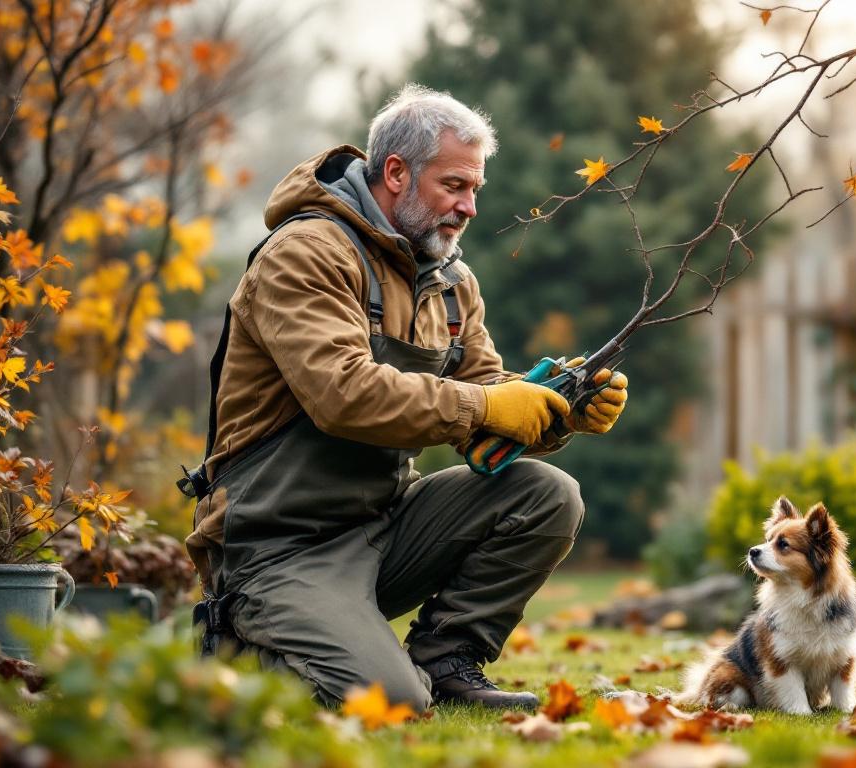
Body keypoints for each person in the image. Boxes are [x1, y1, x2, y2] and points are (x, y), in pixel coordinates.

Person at [182, 84, 629, 712]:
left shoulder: (450, 281)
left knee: (548, 495)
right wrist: (486, 406)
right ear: (396, 172)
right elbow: (344, 395)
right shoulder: (306, 253)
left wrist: (559, 409)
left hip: (380, 526)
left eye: (475, 187)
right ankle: (234, 644)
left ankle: (446, 661)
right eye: (454, 186)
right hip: (278, 545)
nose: (470, 206)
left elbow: (486, 400)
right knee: (388, 701)